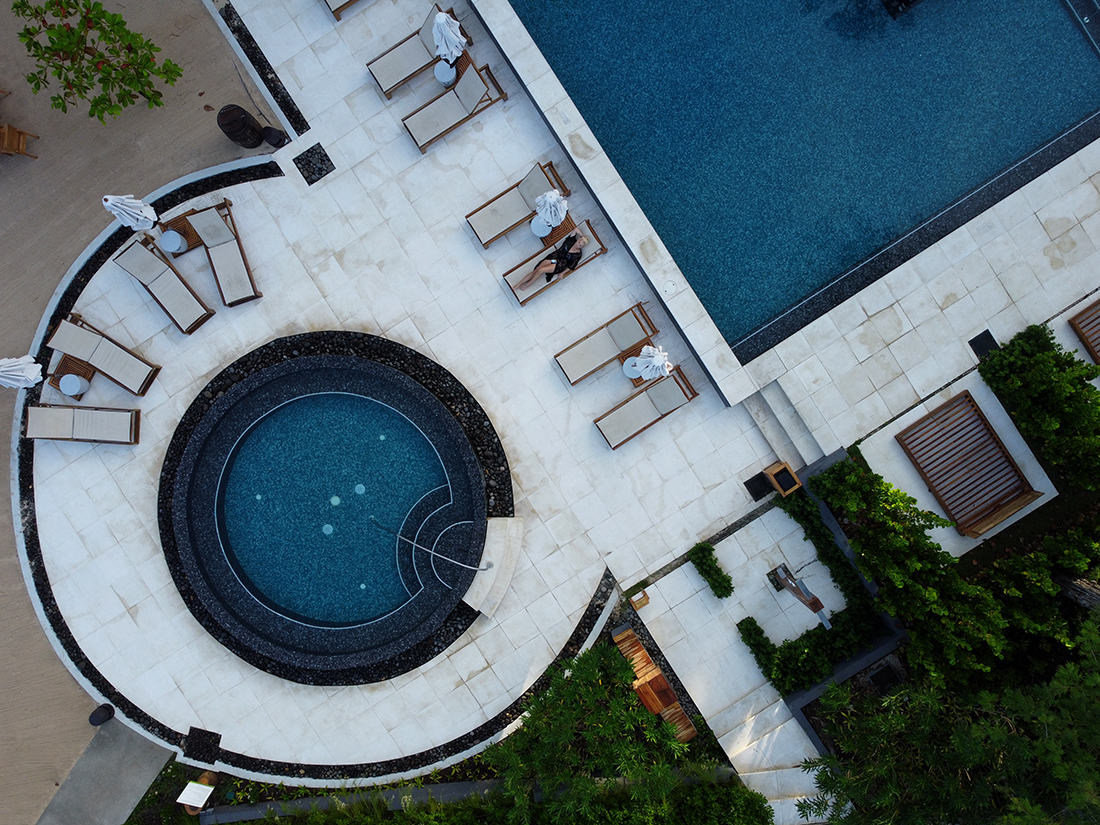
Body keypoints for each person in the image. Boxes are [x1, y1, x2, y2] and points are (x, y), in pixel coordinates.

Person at [514, 233, 589, 291]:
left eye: (580, 245)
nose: (577, 244)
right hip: (554, 258)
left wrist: (562, 273)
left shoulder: (578, 255)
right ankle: (518, 284)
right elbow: (575, 229)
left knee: (541, 270)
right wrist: (583, 237)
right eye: (579, 242)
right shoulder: (571, 240)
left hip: (559, 264)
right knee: (536, 270)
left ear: (581, 247)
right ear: (578, 239)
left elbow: (571, 266)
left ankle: (528, 284)